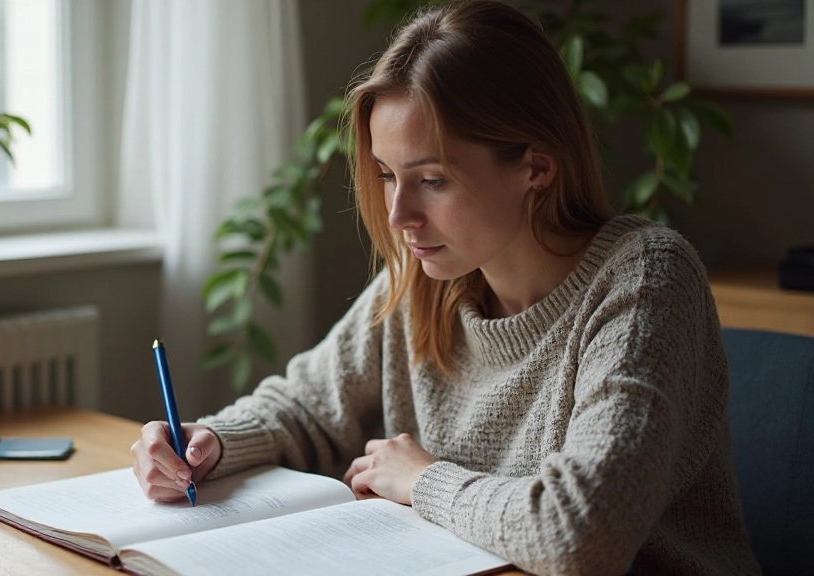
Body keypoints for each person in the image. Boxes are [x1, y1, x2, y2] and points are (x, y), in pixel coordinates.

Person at [131, 1, 760, 574]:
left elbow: (579, 534)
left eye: (431, 179)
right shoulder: (427, 282)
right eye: (385, 175)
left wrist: (422, 479)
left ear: (536, 167)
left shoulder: (646, 279)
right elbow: (305, 406)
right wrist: (209, 442)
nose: (400, 215)